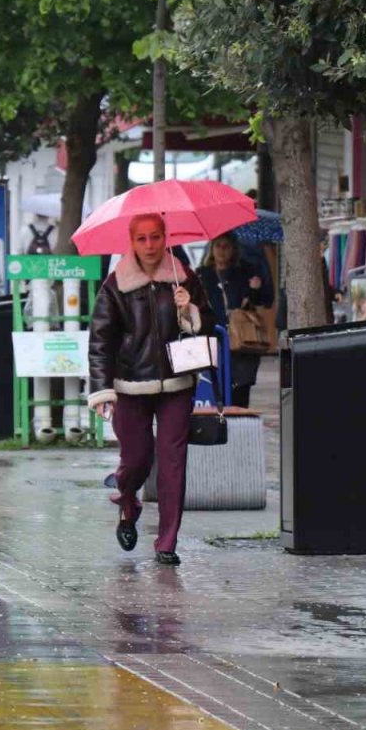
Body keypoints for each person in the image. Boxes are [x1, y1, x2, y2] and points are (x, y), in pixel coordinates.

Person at [88, 213, 215, 566]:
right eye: (141, 239)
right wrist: (102, 390)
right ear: (132, 241)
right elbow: (100, 340)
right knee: (137, 459)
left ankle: (167, 541)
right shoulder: (116, 284)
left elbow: (209, 321)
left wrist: (189, 307)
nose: (149, 245)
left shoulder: (182, 276)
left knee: (173, 463)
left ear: (165, 238)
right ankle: (128, 503)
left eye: (155, 237)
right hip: (129, 385)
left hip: (177, 383)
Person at [197, 232, 273, 408]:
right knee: (215, 386)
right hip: (214, 336)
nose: (222, 251)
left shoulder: (245, 271)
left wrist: (255, 289)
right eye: (218, 246)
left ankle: (237, 425)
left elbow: (263, 301)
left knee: (240, 387)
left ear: (234, 249)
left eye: (226, 246)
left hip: (241, 339)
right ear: (211, 249)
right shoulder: (202, 274)